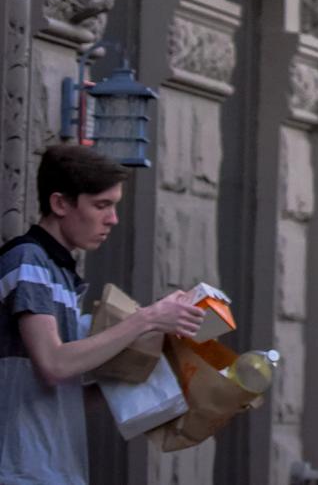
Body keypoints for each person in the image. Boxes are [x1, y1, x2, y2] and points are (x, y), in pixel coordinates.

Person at [1, 142, 208, 485]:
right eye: (101, 205)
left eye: (114, 205)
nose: (112, 219)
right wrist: (148, 318)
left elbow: (60, 397)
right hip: (18, 472)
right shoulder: (28, 261)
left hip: (51, 472)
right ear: (60, 203)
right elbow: (54, 364)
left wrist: (150, 367)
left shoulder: (60, 274)